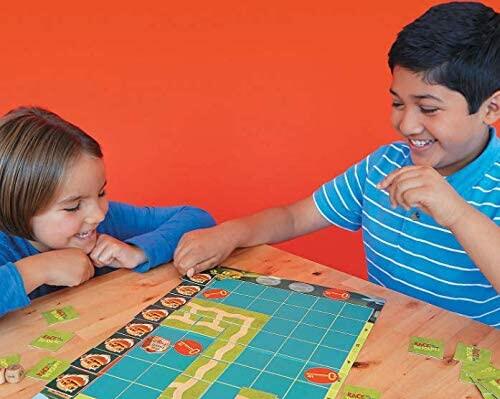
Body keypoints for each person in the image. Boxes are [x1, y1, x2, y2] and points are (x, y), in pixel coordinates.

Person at [173, 2, 500, 327]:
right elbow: (294, 217)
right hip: (387, 340)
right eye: (398, 103)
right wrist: (229, 233)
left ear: (490, 109)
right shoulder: (382, 165)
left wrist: (457, 214)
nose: (406, 124)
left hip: (467, 354)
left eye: (428, 109)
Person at [0, 106, 215, 316]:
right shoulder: (5, 247)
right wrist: (38, 270)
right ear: (16, 207)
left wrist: (137, 252)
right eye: (73, 206)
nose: (98, 215)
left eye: (101, 193)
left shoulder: (106, 220)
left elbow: (197, 218)